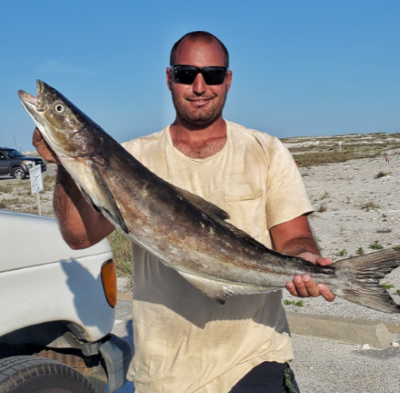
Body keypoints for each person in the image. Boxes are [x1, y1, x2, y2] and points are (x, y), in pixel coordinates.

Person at [33, 31, 335, 393]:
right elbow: (79, 236)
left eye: (212, 74)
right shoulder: (132, 157)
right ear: (168, 78)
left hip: (255, 361)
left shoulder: (266, 150)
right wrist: (66, 164)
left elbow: (294, 236)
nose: (198, 85)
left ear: (228, 80)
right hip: (163, 374)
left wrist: (303, 259)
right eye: (185, 73)